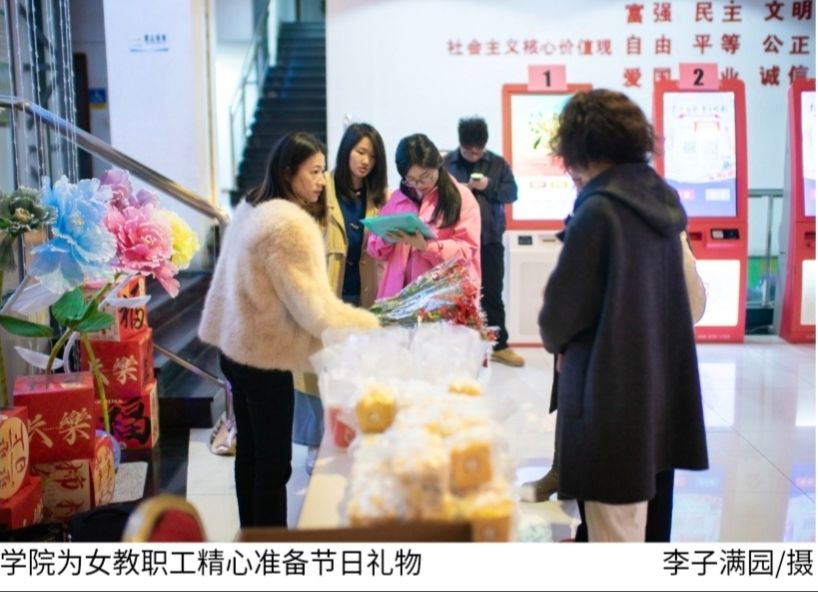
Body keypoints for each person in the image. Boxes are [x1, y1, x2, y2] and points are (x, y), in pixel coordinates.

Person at [538, 89, 709, 542]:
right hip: (658, 385)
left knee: (612, 528)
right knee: (644, 518)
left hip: (609, 394)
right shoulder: (661, 199)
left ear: (582, 147)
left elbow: (559, 315)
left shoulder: (599, 208)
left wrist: (557, 339)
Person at [199, 131, 379, 527]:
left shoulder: (252, 206)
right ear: (287, 172)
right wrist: (369, 324)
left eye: (322, 171)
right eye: (313, 172)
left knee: (250, 454)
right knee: (274, 465)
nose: (321, 182)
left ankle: (251, 536)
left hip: (234, 348)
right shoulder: (287, 224)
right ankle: (270, 546)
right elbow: (314, 308)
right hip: (264, 356)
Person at [292, 123, 388, 473]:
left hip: (363, 295)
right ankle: (315, 442)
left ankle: (350, 434)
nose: (365, 161)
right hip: (325, 293)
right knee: (315, 369)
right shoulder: (323, 187)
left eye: (372, 156)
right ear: (346, 150)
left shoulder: (379, 196)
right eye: (360, 152)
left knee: (356, 368)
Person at [444, 117, 524, 367]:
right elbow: (435, 197)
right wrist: (461, 189)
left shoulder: (498, 164)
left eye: (478, 150)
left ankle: (499, 345)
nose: (473, 154)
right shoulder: (447, 164)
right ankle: (456, 347)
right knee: (456, 295)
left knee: (492, 294)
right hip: (457, 243)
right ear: (460, 144)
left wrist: (489, 185)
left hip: (490, 241)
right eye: (468, 150)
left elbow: (513, 193)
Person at [367, 133, 481, 299]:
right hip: (397, 300)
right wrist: (386, 238)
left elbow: (466, 252)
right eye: (411, 179)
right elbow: (374, 249)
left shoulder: (462, 197)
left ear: (438, 164)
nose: (419, 184)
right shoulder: (396, 199)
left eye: (425, 176)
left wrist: (426, 246)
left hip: (441, 300)